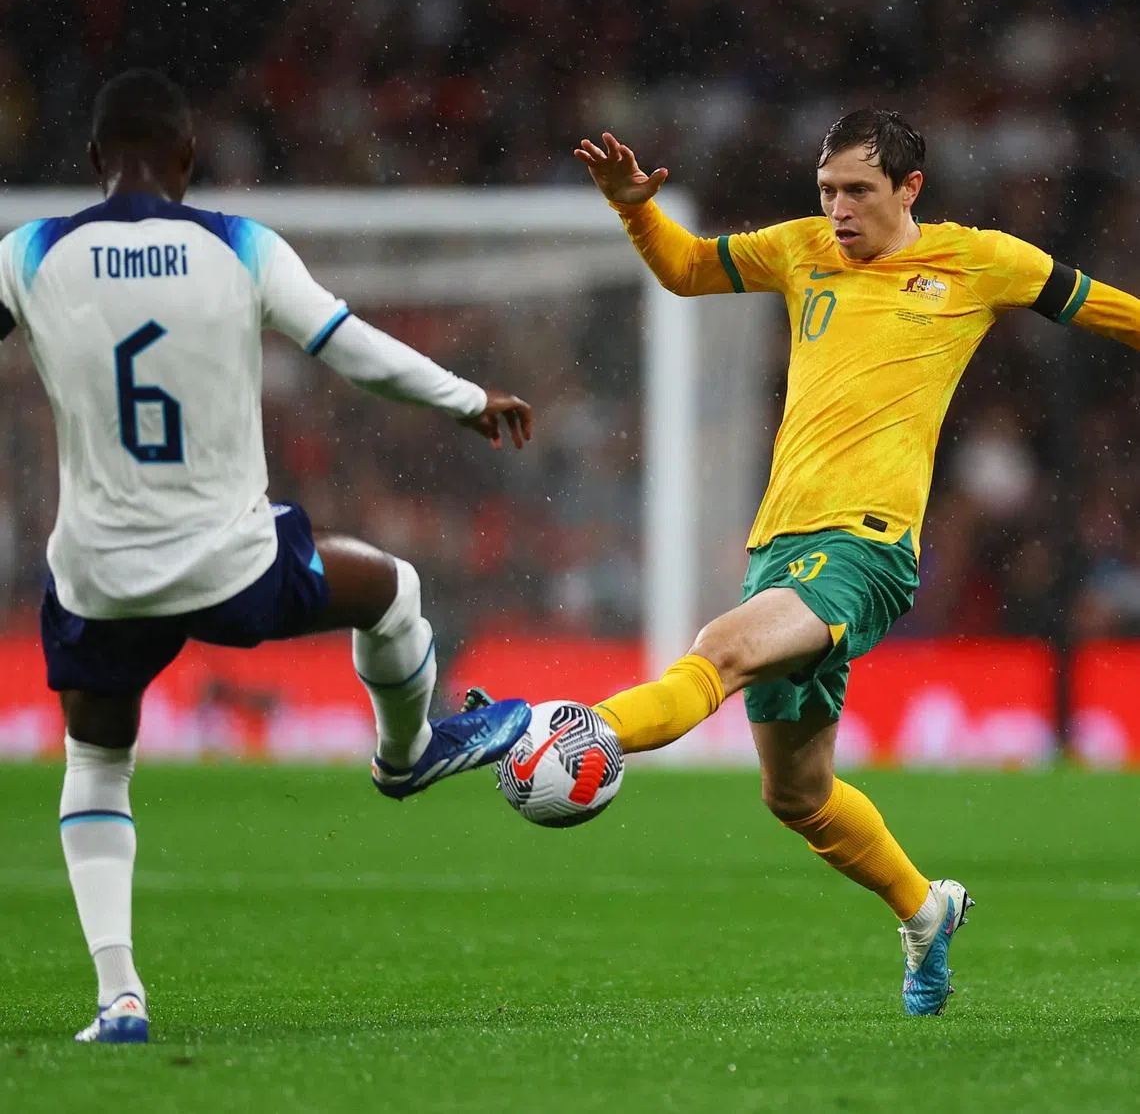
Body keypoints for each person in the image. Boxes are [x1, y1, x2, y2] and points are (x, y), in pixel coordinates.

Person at [0, 69, 535, 1044]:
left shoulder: (30, 253)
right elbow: (347, 345)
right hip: (231, 565)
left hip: (101, 577)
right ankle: (408, 754)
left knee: (96, 764)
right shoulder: (240, 247)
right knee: (393, 588)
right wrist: (465, 399)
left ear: (90, 163)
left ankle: (119, 996)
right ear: (190, 159)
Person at [573, 112, 1140, 1015]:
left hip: (868, 548)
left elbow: (1112, 312)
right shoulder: (800, 250)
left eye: (859, 192)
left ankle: (567, 735)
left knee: (717, 651)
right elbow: (684, 270)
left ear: (910, 189)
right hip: (782, 550)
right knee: (795, 796)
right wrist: (632, 208)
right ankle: (924, 910)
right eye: (828, 191)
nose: (838, 209)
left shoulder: (983, 260)